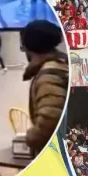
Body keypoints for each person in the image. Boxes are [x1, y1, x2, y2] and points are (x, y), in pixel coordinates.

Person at [20, 20, 69, 153]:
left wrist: (31, 138)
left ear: (29, 47)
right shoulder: (64, 63)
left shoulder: (49, 76)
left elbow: (51, 120)